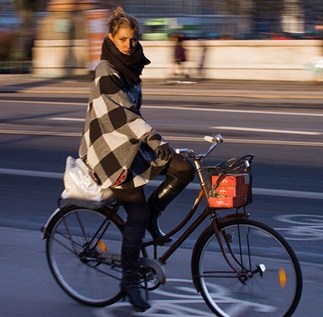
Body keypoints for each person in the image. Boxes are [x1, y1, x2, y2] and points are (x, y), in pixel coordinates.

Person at [79, 7, 195, 312]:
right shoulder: (106, 70)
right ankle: (128, 282)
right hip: (109, 155)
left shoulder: (131, 65)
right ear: (111, 38)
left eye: (133, 39)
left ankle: (154, 216)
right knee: (137, 215)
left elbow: (134, 118)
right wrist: (157, 141)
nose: (129, 45)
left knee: (184, 169)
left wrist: (157, 144)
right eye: (123, 39)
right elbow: (123, 117)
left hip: (130, 146)